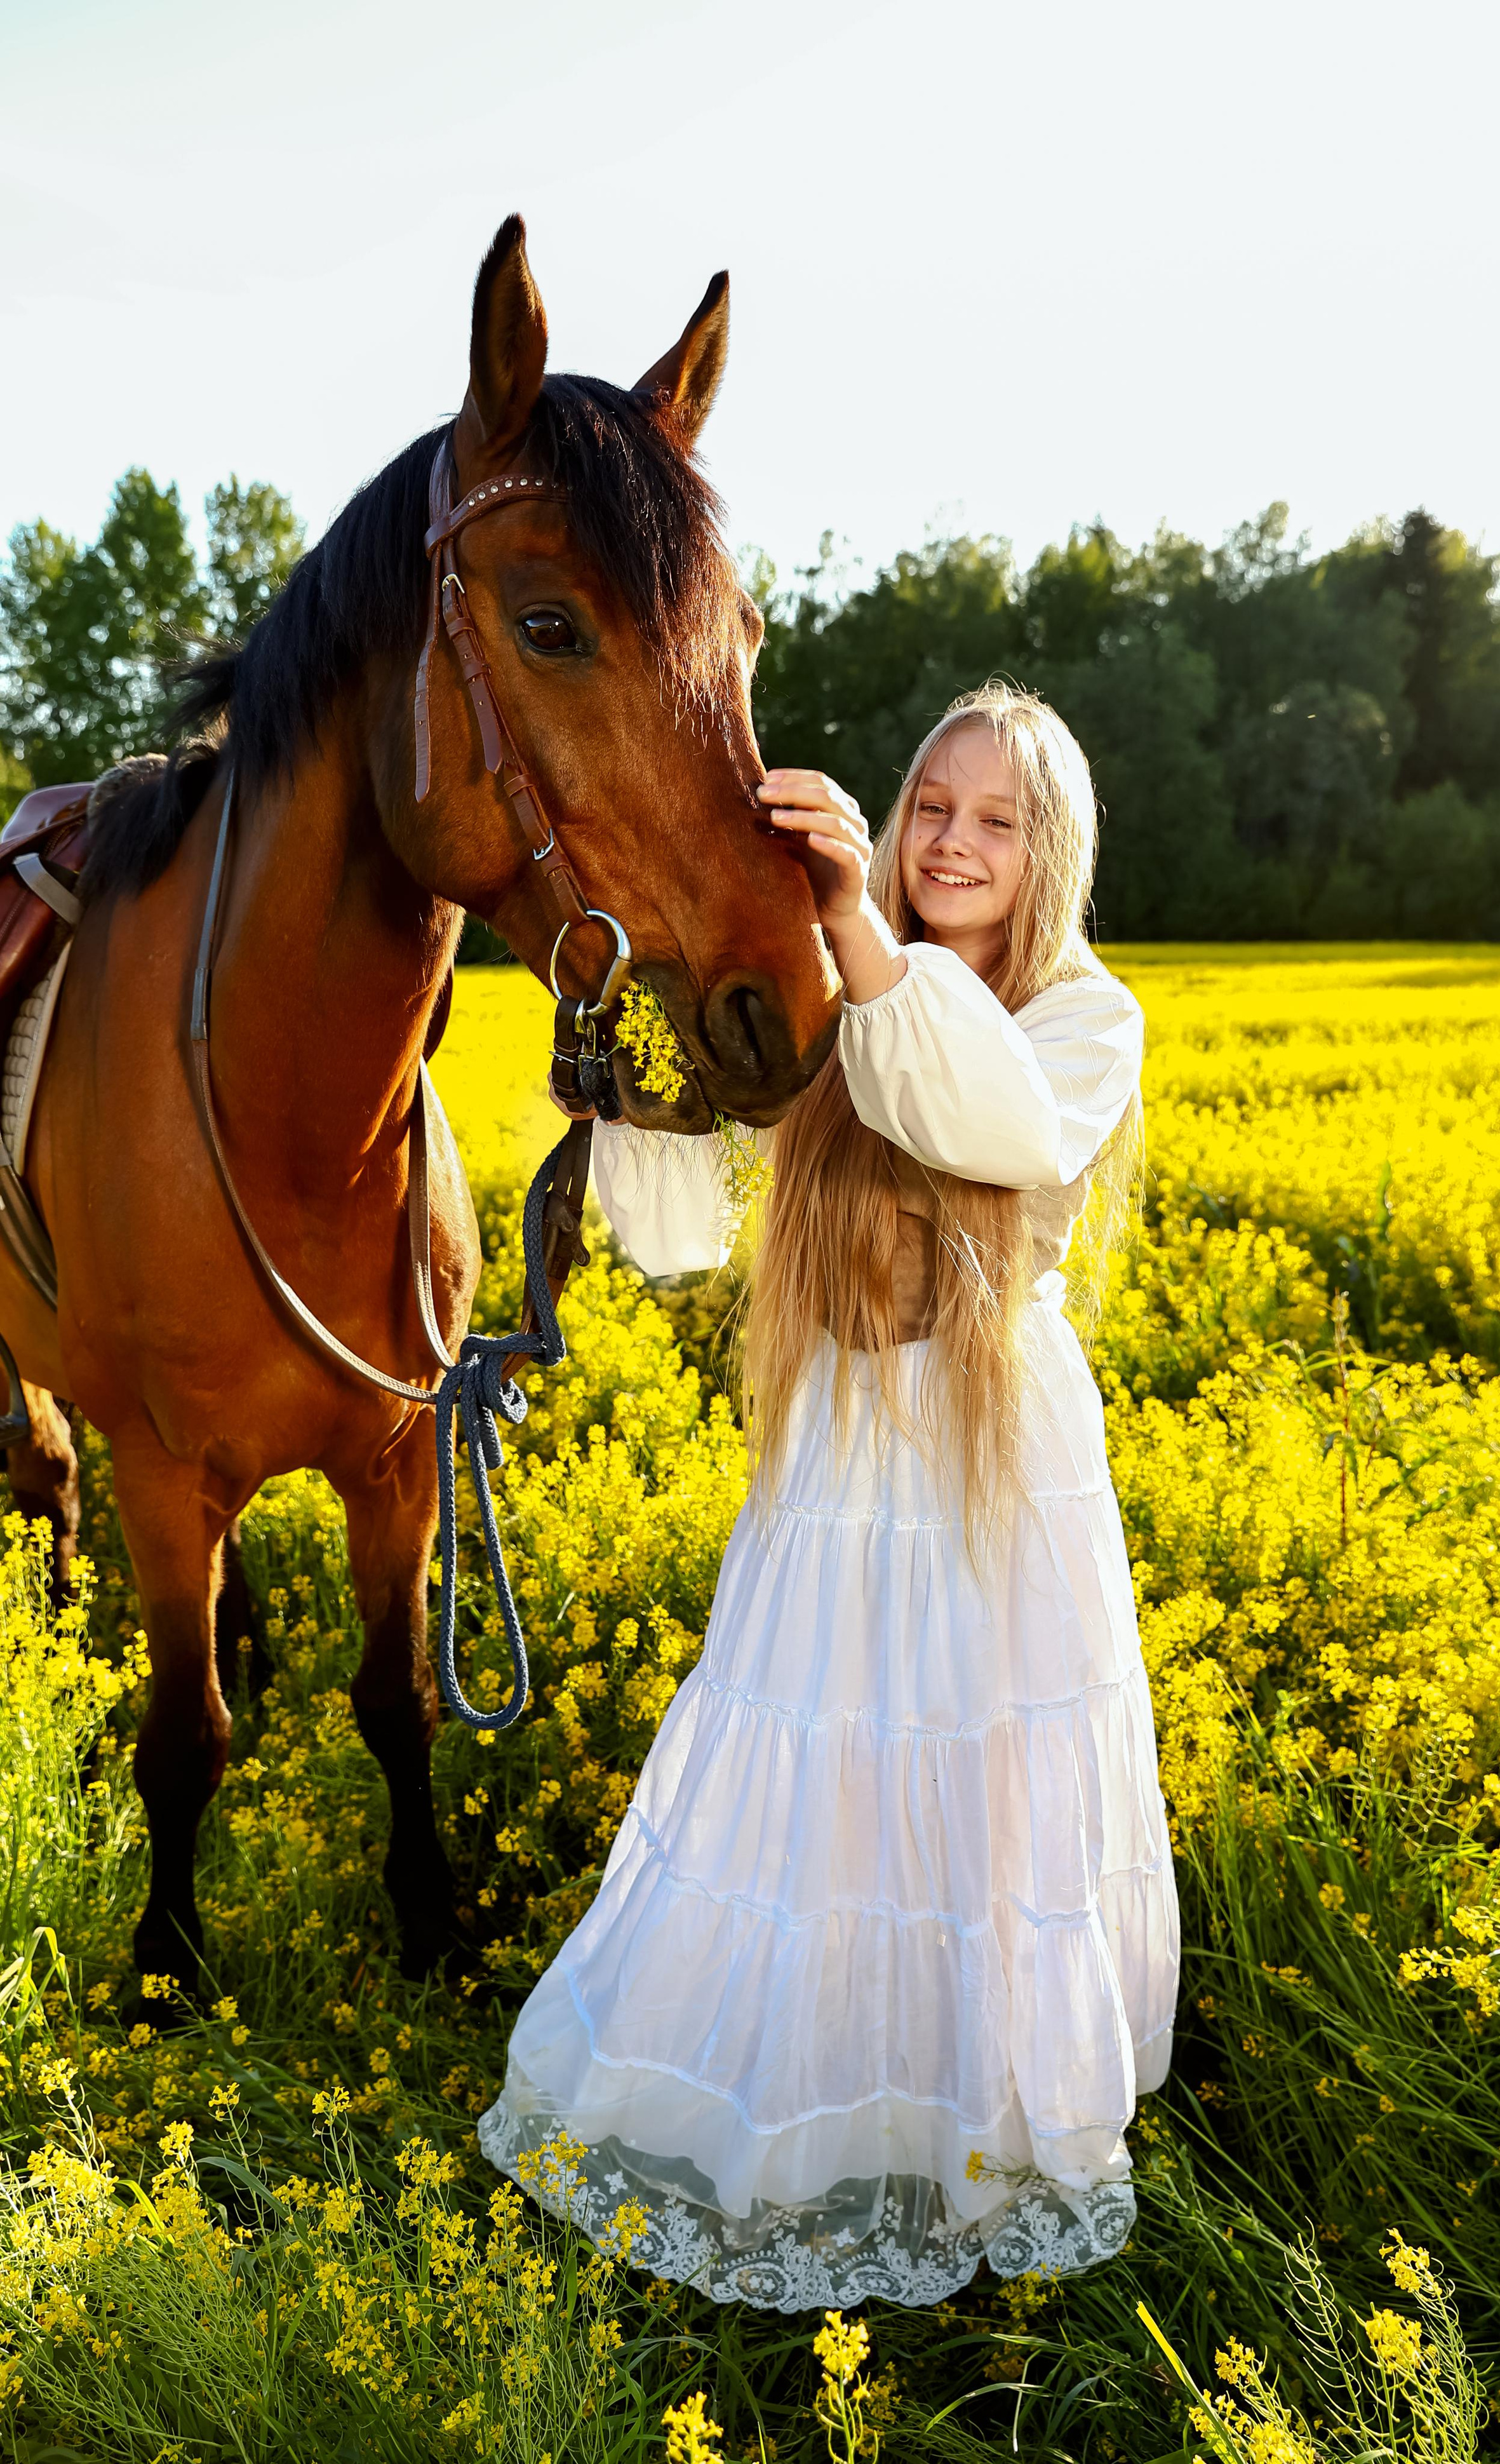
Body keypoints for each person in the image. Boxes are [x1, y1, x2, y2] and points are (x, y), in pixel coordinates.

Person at [479, 681, 1179, 2311]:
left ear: (1047, 847)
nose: (951, 838)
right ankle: (816, 2095)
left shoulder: (1083, 1015)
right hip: (844, 1446)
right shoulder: (825, 980)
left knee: (983, 1782)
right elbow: (700, 1225)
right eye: (929, 803)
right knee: (825, 1782)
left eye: (992, 818)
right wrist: (632, 1092)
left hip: (990, 1455)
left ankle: (982, 2112)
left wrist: (857, 917)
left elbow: (978, 1118)